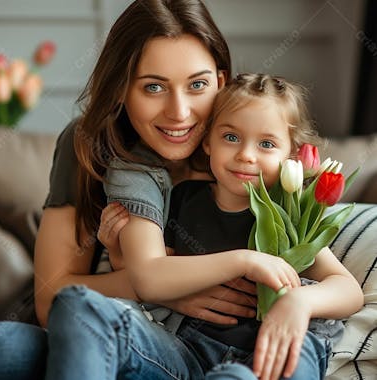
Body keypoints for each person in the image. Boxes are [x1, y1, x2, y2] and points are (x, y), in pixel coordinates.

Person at [44, 69, 363, 380]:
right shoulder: (182, 199)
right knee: (76, 303)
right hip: (184, 354)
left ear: (291, 155)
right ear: (207, 141)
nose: (246, 155)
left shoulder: (288, 215)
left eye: (266, 144)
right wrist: (117, 250)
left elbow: (348, 290)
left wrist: (299, 301)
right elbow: (151, 277)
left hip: (262, 359)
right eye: (231, 137)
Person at [0, 1, 257, 379]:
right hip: (98, 327)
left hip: (191, 352)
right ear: (121, 89)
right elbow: (52, 299)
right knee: (6, 345)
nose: (180, 112)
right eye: (154, 87)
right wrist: (162, 286)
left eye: (197, 85)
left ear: (221, 81)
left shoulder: (245, 151)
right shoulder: (88, 144)